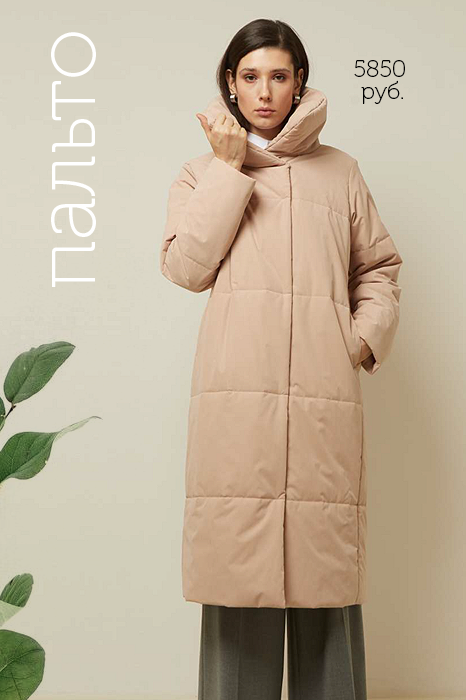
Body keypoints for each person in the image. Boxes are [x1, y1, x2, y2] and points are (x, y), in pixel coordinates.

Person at [160, 18, 403, 700]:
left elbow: (379, 269)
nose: (264, 92)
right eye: (250, 76)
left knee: (327, 584)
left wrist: (356, 341)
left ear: (299, 83)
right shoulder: (201, 173)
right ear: (230, 84)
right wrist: (229, 168)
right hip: (237, 402)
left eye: (278, 75)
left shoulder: (341, 172)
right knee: (239, 579)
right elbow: (186, 267)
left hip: (325, 402)